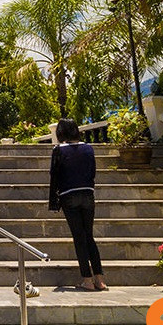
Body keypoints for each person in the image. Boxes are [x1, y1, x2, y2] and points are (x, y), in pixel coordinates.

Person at [48, 119, 106, 291]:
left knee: (79, 237)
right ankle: (100, 279)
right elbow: (93, 171)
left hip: (69, 195)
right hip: (88, 194)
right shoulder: (88, 148)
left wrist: (54, 200)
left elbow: (54, 175)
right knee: (89, 236)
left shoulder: (58, 150)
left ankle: (87, 280)